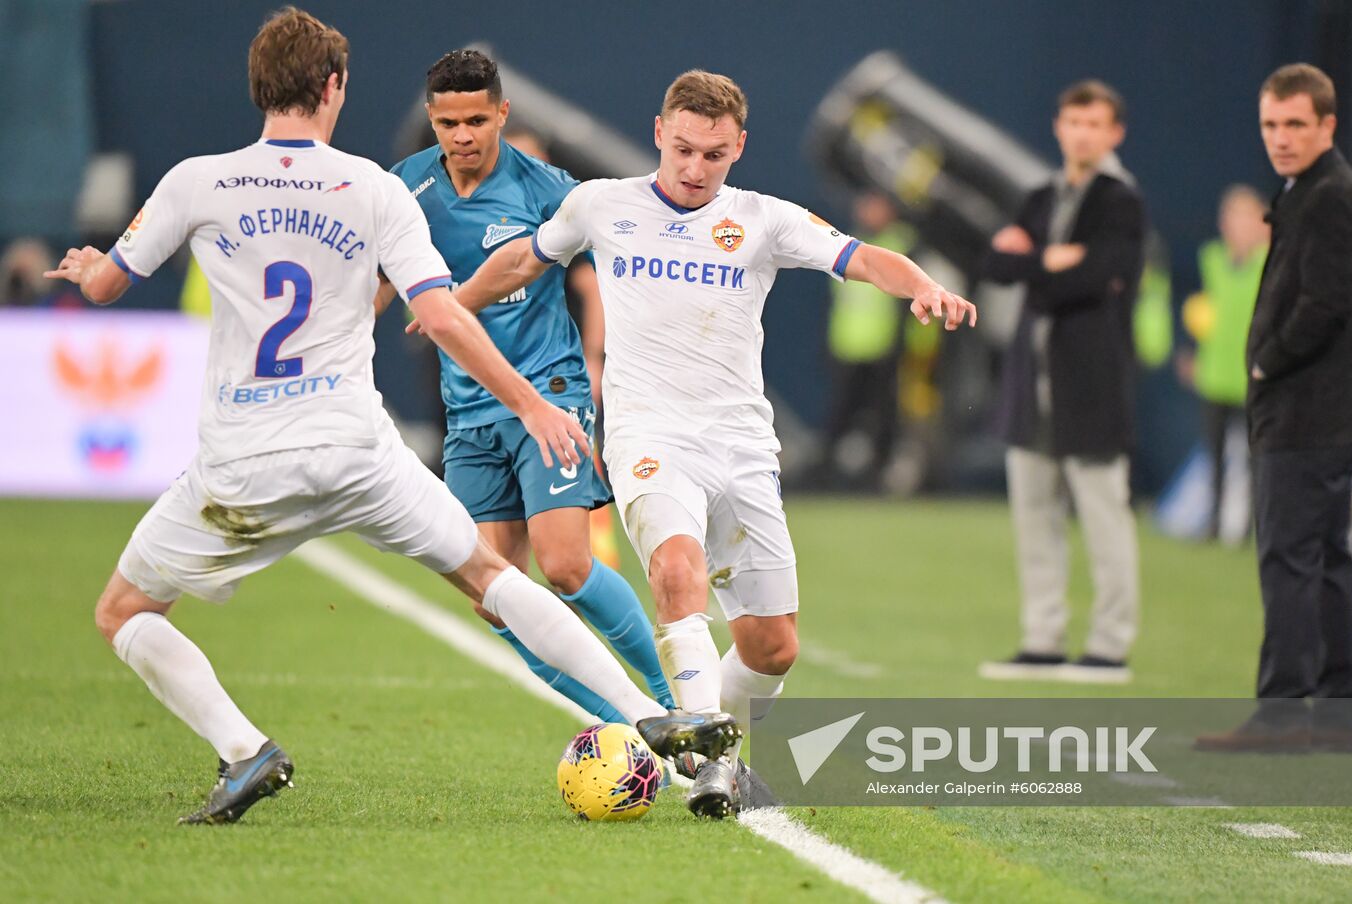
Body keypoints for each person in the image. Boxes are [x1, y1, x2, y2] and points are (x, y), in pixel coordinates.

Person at [43, 8, 736, 825]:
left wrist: (91, 268)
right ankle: (647, 712)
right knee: (492, 579)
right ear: (334, 86)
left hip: (242, 460)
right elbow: (442, 316)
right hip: (357, 451)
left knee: (122, 611)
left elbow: (107, 285)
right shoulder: (375, 187)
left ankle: (244, 749)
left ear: (257, 86)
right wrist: (532, 403)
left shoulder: (198, 179)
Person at [424, 69, 975, 817]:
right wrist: (452, 310)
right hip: (648, 433)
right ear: (659, 133)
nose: (693, 168)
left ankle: (711, 733)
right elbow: (525, 259)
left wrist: (920, 287)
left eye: (713, 155)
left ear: (738, 147)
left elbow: (860, 255)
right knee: (675, 568)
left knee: (772, 646)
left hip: (742, 444)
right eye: (682, 149)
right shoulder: (603, 204)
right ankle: (706, 762)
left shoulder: (764, 219)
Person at [381, 50, 672, 725]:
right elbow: (374, 286)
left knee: (566, 564)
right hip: (471, 412)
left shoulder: (548, 187)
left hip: (551, 393)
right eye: (449, 122)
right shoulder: (404, 189)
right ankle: (636, 724)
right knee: (495, 597)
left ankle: (674, 698)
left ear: (502, 115)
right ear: (432, 119)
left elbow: (605, 273)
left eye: (477, 120)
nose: (463, 136)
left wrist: (607, 359)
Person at [1196, 64, 1352, 753]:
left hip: (1308, 414)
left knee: (1291, 561)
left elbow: (1326, 304)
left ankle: (1281, 715)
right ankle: (1334, 718)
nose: (1280, 137)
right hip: (1321, 414)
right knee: (1325, 562)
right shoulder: (1310, 188)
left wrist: (1267, 360)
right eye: (1271, 124)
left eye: (1295, 124)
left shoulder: (1331, 195)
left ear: (1328, 125)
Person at [978, 80, 1146, 685]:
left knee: (1105, 515)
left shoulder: (1119, 200)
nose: (1083, 134)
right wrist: (1051, 260)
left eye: (1095, 124)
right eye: (1074, 122)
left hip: (1091, 383)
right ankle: (1043, 640)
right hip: (1033, 383)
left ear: (1114, 133)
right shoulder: (1042, 195)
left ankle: (1109, 646)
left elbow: (1103, 275)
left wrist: (1038, 264)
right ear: (1058, 127)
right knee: (1034, 516)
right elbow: (995, 265)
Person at [1179, 185, 1270, 541]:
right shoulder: (1212, 258)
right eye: (1232, 217)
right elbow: (1205, 311)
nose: (1238, 225)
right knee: (1214, 456)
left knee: (1255, 460)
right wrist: (1196, 357)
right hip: (1215, 374)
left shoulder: (1271, 261)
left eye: (1246, 217)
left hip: (1254, 376)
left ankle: (1250, 528)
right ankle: (1213, 523)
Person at [816, 191, 919, 491]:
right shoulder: (848, 244)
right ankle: (825, 481)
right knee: (838, 419)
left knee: (885, 420)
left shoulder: (904, 244)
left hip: (884, 349)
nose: (869, 211)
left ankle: (878, 481)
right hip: (847, 347)